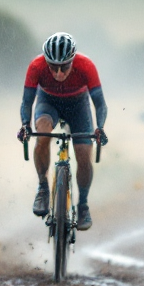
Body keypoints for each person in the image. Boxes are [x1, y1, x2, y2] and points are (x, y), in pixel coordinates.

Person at [17, 32, 108, 230]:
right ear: (45, 62)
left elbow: (100, 104)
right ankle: (43, 187)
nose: (58, 73)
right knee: (42, 135)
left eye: (64, 67)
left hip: (78, 106)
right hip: (48, 102)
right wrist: (25, 124)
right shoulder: (36, 66)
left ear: (73, 61)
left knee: (84, 155)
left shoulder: (86, 66)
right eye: (53, 67)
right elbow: (27, 102)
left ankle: (82, 205)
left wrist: (99, 128)